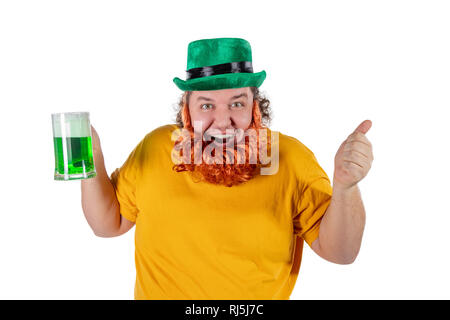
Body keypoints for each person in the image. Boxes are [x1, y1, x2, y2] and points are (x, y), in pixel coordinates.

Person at [81, 37, 374, 300]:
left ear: (255, 107)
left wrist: (346, 187)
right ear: (186, 110)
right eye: (207, 106)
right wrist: (91, 158)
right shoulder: (157, 148)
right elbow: (108, 224)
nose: (223, 123)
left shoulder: (288, 158)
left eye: (236, 104)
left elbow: (341, 253)